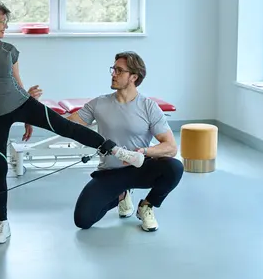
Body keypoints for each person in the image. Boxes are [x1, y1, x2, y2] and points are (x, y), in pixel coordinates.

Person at [0, 1, 144, 244]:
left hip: (22, 104)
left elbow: (17, 82)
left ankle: (117, 150)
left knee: (67, 127)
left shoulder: (9, 49)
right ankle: (3, 224)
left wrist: (27, 116)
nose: (6, 26)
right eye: (2, 22)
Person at [68, 51, 184, 232]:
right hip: (110, 173)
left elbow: (171, 147)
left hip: (139, 168)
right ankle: (121, 195)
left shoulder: (148, 107)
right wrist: (36, 108)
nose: (113, 74)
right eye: (113, 69)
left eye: (119, 71)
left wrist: (143, 152)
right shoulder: (99, 103)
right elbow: (68, 123)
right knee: (83, 220)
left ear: (133, 77)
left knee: (174, 167)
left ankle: (146, 206)